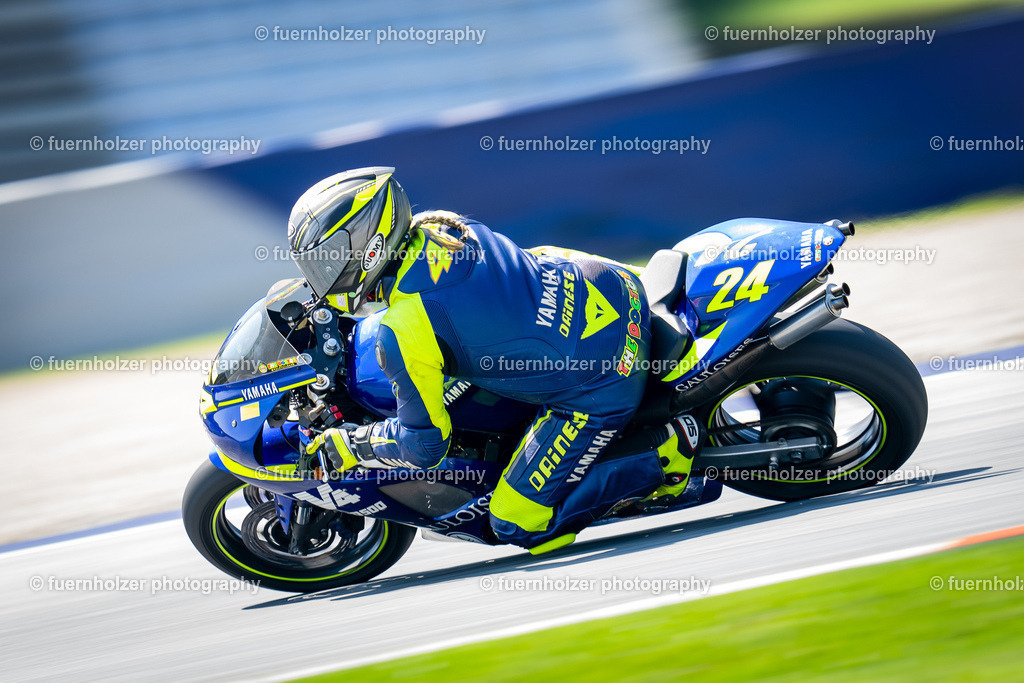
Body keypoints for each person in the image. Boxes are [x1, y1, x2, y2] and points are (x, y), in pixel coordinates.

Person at [295, 167, 696, 554]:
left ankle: (663, 454)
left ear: (368, 246)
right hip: (614, 283)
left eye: (327, 259)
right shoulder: (442, 228)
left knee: (513, 521)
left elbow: (425, 446)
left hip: (604, 375)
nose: (323, 273)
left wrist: (352, 445)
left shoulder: (404, 327)